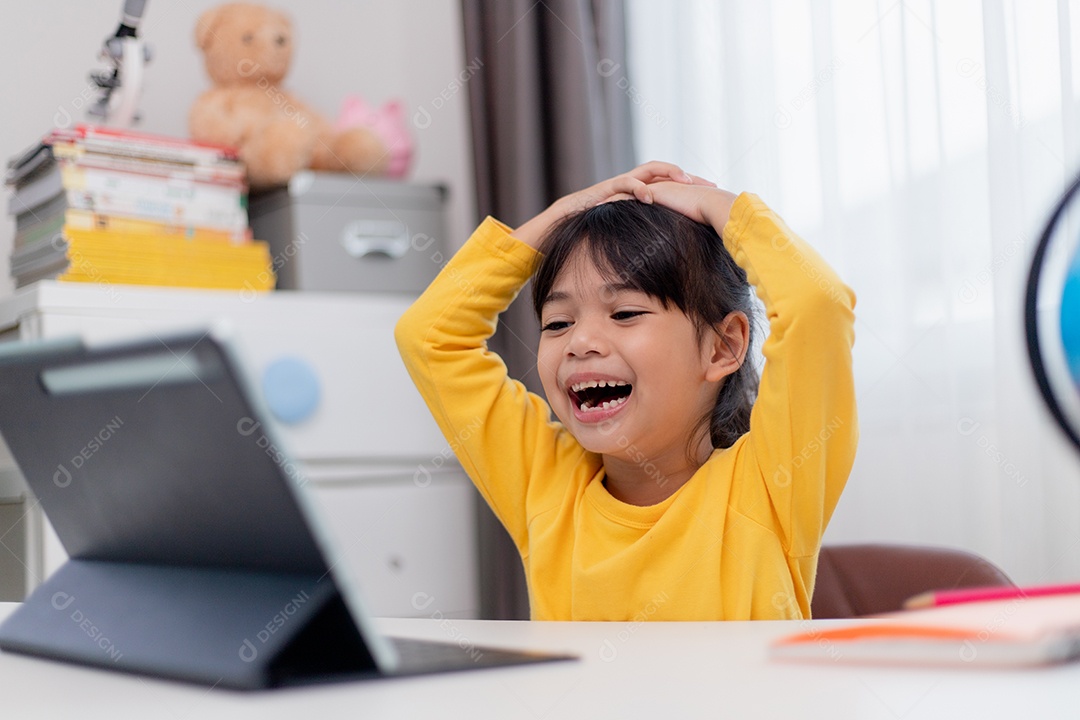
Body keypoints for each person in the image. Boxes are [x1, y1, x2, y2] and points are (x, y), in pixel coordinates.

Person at [395, 162, 857, 620]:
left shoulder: (771, 486)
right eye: (558, 323)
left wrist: (718, 207)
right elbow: (429, 336)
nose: (579, 343)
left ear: (723, 347)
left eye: (625, 314)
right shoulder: (547, 487)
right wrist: (566, 212)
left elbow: (817, 304)